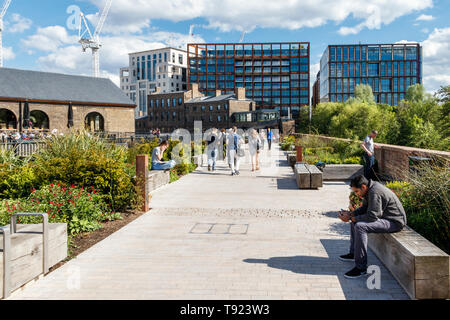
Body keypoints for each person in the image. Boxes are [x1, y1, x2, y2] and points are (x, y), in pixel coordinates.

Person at [338, 175, 406, 279]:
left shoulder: (375, 192)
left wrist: (351, 218)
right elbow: (365, 208)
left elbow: (372, 216)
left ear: (363, 187)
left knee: (360, 226)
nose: (356, 194)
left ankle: (361, 268)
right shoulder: (370, 189)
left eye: (356, 191)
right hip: (385, 218)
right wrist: (351, 214)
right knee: (355, 222)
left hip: (394, 222)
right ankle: (354, 254)